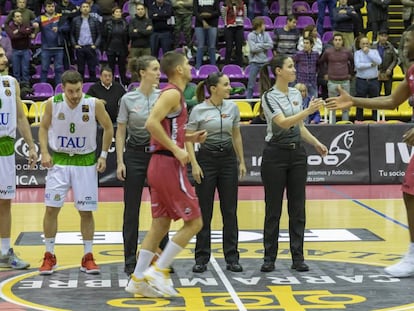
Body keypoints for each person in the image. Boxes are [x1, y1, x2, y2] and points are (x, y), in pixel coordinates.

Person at [325, 28, 414, 277]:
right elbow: (391, 102)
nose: (404, 43)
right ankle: (413, 254)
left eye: (408, 39)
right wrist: (354, 100)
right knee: (410, 192)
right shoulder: (411, 72)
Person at [125, 51, 207, 297]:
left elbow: (166, 129)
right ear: (179, 69)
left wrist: (189, 137)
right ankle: (158, 270)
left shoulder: (174, 94)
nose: (191, 67)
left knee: (160, 224)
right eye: (188, 64)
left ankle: (137, 279)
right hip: (168, 164)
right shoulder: (172, 93)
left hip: (160, 164)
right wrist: (177, 149)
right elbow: (150, 123)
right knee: (195, 222)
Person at [38, 70, 114, 275]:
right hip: (59, 161)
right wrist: (44, 152)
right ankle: (49, 255)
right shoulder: (53, 103)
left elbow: (108, 127)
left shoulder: (93, 104)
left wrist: (104, 155)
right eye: (71, 91)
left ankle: (88, 256)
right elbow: (43, 128)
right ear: (63, 88)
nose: (75, 95)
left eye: (78, 90)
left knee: (86, 211)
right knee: (51, 209)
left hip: (85, 162)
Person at [259, 54, 327, 273]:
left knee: (298, 209)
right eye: (289, 67)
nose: (294, 70)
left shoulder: (297, 93)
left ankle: (298, 257)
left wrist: (316, 142)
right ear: (278, 71)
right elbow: (283, 123)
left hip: (297, 154)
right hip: (275, 156)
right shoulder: (269, 96)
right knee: (273, 209)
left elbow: (298, 126)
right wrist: (308, 111)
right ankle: (269, 257)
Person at [186, 72, 246, 273]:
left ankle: (232, 257)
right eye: (226, 84)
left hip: (228, 159)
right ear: (213, 89)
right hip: (206, 160)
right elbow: (187, 138)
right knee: (205, 211)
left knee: (230, 211)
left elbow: (236, 135)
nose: (230, 88)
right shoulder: (198, 110)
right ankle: (201, 257)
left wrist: (241, 161)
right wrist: (194, 164)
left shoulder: (233, 107)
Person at [116, 56, 169, 276]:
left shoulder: (164, 97)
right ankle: (130, 259)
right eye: (155, 69)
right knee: (131, 210)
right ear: (142, 73)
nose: (159, 73)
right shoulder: (128, 99)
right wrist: (120, 161)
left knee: (162, 208)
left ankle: (162, 258)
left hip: (158, 155)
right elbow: (120, 132)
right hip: (135, 156)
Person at [0, 44, 38, 270]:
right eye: (0, 56)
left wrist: (32, 147)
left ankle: (5, 251)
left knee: (5, 202)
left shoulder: (11, 83)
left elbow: (22, 118)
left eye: (4, 55)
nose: (4, 58)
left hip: (5, 148)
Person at [32, 0, 69, 86]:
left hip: (59, 48)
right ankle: (42, 86)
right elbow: (33, 22)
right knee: (44, 69)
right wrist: (35, 24)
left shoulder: (60, 17)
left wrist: (59, 29)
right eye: (49, 6)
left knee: (58, 69)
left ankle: (59, 88)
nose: (51, 8)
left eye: (52, 6)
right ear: (45, 8)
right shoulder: (41, 18)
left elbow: (67, 27)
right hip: (46, 48)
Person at [353, 35, 382, 122]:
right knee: (360, 101)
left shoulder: (374, 52)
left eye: (367, 43)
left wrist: (368, 53)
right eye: (363, 44)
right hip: (361, 80)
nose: (365, 45)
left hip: (374, 80)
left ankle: (375, 119)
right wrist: (370, 65)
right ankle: (359, 120)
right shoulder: (357, 53)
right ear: (360, 45)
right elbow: (358, 65)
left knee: (375, 101)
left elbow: (379, 61)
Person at [246, 17, 273, 99]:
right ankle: (248, 103)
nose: (265, 26)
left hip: (264, 62)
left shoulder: (266, 34)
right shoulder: (250, 35)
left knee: (266, 84)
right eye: (263, 24)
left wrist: (258, 45)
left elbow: (271, 45)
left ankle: (266, 101)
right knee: (251, 85)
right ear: (259, 26)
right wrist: (264, 45)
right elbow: (253, 49)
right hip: (254, 63)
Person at [103, 6, 129, 86]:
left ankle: (123, 84)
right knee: (111, 68)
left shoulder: (125, 23)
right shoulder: (108, 23)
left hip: (122, 48)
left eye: (119, 12)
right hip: (111, 47)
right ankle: (110, 83)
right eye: (116, 12)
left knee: (122, 68)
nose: (118, 13)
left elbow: (127, 37)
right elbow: (104, 36)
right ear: (113, 14)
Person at [221, 0, 247, 67]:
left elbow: (245, 16)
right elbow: (223, 16)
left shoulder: (242, 4)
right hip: (229, 27)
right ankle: (226, 66)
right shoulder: (225, 5)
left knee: (239, 49)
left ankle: (240, 67)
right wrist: (229, 23)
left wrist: (239, 23)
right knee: (229, 48)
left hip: (239, 27)